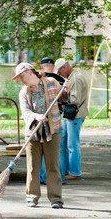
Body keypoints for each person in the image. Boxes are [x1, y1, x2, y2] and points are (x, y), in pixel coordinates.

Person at [12, 62, 64, 209]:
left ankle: (56, 199)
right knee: (33, 167)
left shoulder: (52, 83)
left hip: (53, 130)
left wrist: (66, 89)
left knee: (53, 165)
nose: (20, 81)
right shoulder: (24, 92)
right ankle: (32, 197)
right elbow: (25, 112)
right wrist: (35, 116)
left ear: (30, 72)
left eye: (21, 77)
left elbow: (64, 98)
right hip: (33, 133)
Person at [54, 58, 89, 180]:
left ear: (64, 67)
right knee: (64, 144)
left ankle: (75, 172)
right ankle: (64, 171)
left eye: (59, 72)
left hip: (75, 115)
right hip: (71, 116)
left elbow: (74, 100)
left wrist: (66, 90)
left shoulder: (75, 78)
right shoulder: (73, 77)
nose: (59, 75)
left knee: (72, 145)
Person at [38, 57, 67, 185]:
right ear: (53, 65)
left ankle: (44, 177)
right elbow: (65, 99)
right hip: (57, 116)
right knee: (57, 148)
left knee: (44, 147)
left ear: (41, 66)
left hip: (42, 116)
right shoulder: (60, 80)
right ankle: (60, 177)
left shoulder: (39, 79)